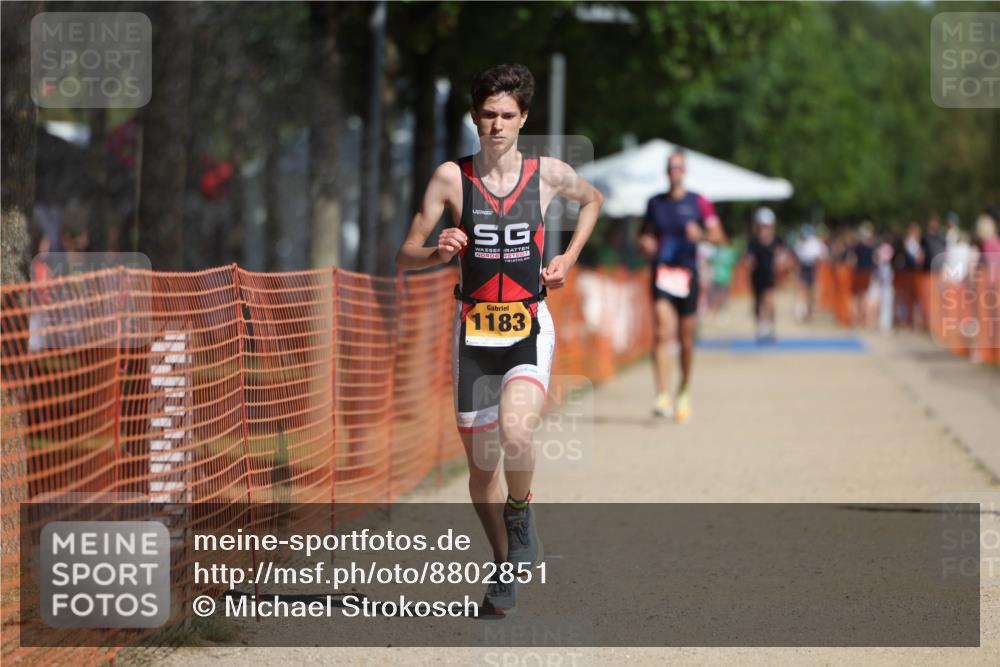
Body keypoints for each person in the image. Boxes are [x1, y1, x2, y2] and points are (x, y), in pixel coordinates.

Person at [395, 64, 602, 615]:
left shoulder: (549, 174)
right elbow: (404, 255)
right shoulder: (450, 179)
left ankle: (522, 512)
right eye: (488, 114)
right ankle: (505, 557)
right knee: (480, 468)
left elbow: (593, 201)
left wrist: (567, 257)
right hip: (473, 331)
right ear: (474, 116)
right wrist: (436, 251)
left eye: (508, 116)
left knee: (515, 429)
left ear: (524, 118)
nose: (497, 125)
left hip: (529, 323)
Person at [638, 148, 726, 421]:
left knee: (686, 340)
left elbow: (720, 237)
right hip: (663, 273)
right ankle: (662, 395)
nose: (674, 172)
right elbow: (645, 237)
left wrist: (701, 234)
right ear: (666, 172)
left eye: (678, 167)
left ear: (684, 171)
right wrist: (646, 244)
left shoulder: (699, 202)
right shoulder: (655, 203)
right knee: (663, 332)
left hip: (688, 275)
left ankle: (684, 389)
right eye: (670, 167)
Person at [746, 207, 781, 341]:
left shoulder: (776, 240)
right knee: (758, 303)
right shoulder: (754, 242)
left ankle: (770, 327)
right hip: (757, 276)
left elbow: (782, 255)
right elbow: (749, 258)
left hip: (770, 275)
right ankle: (761, 326)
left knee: (770, 300)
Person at [793, 224, 827, 323]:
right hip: (804, 268)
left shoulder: (815, 243)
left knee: (811, 292)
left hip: (812, 268)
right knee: (802, 289)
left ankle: (809, 311)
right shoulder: (800, 243)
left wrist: (816, 271)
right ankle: (802, 311)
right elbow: (797, 259)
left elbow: (819, 258)